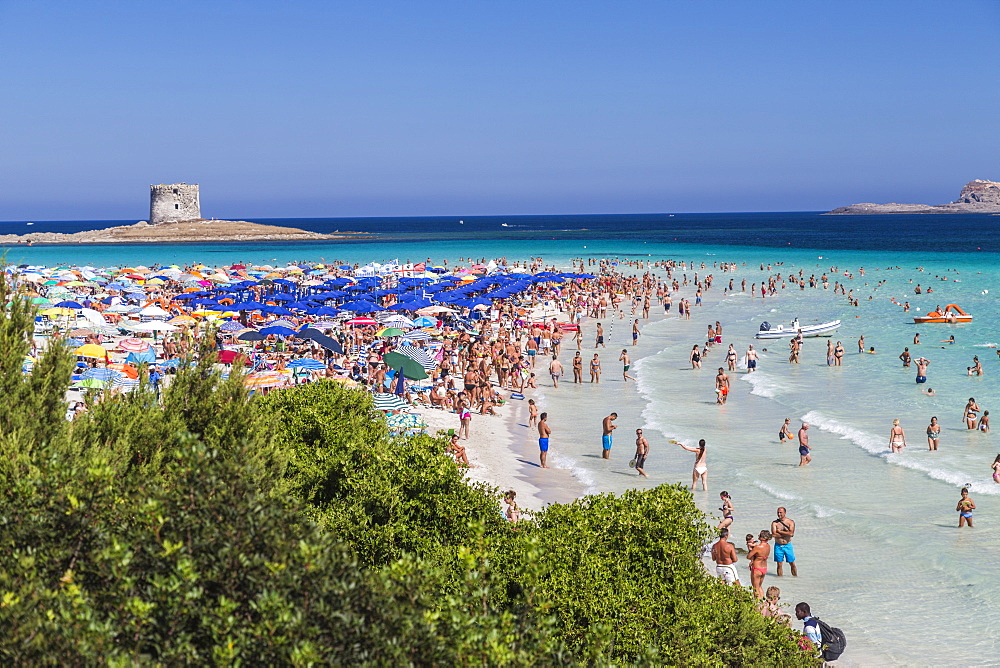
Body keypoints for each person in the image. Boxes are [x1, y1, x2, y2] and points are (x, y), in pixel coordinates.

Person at [771, 507, 797, 576]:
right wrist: (786, 533)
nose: (779, 514)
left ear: (785, 513)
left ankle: (795, 577)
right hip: (778, 545)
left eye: (780, 512)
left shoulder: (790, 522)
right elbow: (774, 534)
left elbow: (791, 534)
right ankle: (780, 579)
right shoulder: (774, 523)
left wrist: (779, 531)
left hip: (788, 545)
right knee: (779, 564)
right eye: (778, 512)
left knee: (792, 563)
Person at [747, 529, 772, 598]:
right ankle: (763, 603)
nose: (758, 536)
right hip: (764, 568)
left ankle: (758, 605)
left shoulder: (757, 547)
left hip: (757, 568)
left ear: (763, 537)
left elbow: (748, 557)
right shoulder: (768, 546)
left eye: (760, 535)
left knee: (755, 588)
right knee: (759, 586)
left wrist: (750, 549)